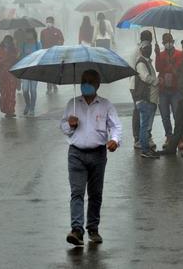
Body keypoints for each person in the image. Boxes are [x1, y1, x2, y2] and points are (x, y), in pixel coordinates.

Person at [60, 69, 121, 246]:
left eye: (90, 81)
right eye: (83, 81)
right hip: (76, 154)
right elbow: (63, 126)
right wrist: (70, 125)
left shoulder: (106, 105)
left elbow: (116, 126)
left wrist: (115, 140)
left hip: (98, 154)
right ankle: (77, 230)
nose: (86, 84)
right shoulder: (73, 104)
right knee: (77, 192)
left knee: (95, 194)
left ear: (97, 85)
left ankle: (93, 229)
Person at [154, 33, 183, 151]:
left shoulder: (179, 54)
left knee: (178, 115)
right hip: (163, 90)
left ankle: (180, 138)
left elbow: (179, 69)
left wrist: (169, 65)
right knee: (165, 116)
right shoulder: (161, 54)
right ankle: (168, 137)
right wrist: (157, 54)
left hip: (175, 89)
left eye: (169, 41)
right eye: (165, 42)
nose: (167, 43)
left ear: (172, 42)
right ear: (163, 44)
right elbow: (158, 68)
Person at [130, 31, 155, 150]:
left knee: (144, 110)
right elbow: (142, 72)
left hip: (140, 85)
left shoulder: (142, 48)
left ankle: (144, 136)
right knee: (139, 110)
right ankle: (138, 138)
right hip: (137, 85)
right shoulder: (139, 51)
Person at [134, 41, 160, 159]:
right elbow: (145, 77)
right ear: (141, 50)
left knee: (146, 126)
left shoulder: (147, 62)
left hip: (149, 99)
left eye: (149, 48)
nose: (148, 50)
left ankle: (147, 149)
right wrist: (158, 81)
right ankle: (145, 150)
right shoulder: (141, 63)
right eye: (145, 48)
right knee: (144, 126)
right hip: (144, 99)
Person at [0, 35, 19, 117]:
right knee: (4, 92)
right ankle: (5, 109)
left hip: (12, 74)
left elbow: (17, 60)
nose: (7, 43)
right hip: (3, 75)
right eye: (6, 42)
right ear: (3, 42)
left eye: (9, 42)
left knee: (11, 92)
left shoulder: (15, 50)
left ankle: (11, 110)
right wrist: (2, 63)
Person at [40, 16, 65, 95]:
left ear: (53, 23)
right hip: (47, 53)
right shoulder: (43, 32)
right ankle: (48, 86)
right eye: (47, 21)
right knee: (48, 70)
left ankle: (54, 83)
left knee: (54, 70)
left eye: (50, 21)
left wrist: (60, 43)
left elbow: (62, 40)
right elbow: (41, 42)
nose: (48, 23)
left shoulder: (57, 31)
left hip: (55, 53)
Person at [20, 28, 42, 116]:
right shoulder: (23, 44)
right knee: (25, 90)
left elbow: (41, 55)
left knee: (33, 90)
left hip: (34, 70)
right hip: (25, 69)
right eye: (27, 34)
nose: (28, 35)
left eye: (30, 33)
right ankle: (27, 105)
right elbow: (20, 56)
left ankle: (32, 108)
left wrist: (34, 55)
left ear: (33, 34)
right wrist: (23, 54)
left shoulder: (38, 44)